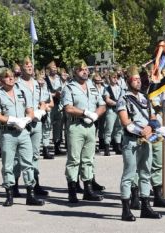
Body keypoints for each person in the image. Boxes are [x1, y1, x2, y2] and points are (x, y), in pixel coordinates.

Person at [0, 69, 45, 207]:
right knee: (8, 164)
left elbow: (30, 111)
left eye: (12, 77)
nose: (10, 79)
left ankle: (30, 195)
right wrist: (12, 120)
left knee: (28, 163)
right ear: (1, 80)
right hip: (8, 133)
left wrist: (26, 119)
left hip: (23, 132)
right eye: (7, 77)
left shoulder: (22, 92)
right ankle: (9, 195)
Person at [117, 66, 163, 221]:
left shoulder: (145, 98)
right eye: (135, 79)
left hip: (146, 140)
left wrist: (150, 127)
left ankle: (145, 206)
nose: (138, 82)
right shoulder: (124, 99)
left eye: (139, 79)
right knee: (129, 174)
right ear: (128, 81)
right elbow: (125, 121)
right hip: (131, 140)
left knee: (145, 173)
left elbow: (154, 117)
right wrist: (141, 131)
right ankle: (125, 209)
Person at [62, 60, 106, 203]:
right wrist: (85, 113)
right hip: (76, 126)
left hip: (91, 126)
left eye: (86, 69)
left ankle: (88, 190)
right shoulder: (69, 88)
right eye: (81, 69)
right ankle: (72, 191)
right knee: (74, 159)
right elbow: (68, 108)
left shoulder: (92, 86)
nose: (85, 71)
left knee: (89, 159)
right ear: (75, 72)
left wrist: (95, 115)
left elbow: (102, 105)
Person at [15, 58, 50, 197]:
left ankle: (35, 184)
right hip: (23, 123)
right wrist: (28, 115)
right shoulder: (17, 84)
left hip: (36, 122)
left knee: (35, 155)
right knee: (19, 156)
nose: (29, 68)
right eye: (26, 66)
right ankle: (14, 185)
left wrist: (40, 112)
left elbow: (43, 101)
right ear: (21, 68)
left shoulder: (37, 84)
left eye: (31, 66)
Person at [103, 72, 125, 156]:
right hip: (111, 110)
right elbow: (107, 99)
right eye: (113, 77)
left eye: (116, 77)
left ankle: (118, 147)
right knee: (109, 129)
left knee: (119, 128)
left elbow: (123, 98)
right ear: (109, 78)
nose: (115, 79)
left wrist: (119, 104)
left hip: (119, 110)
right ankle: (107, 147)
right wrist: (116, 103)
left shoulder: (120, 88)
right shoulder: (107, 88)